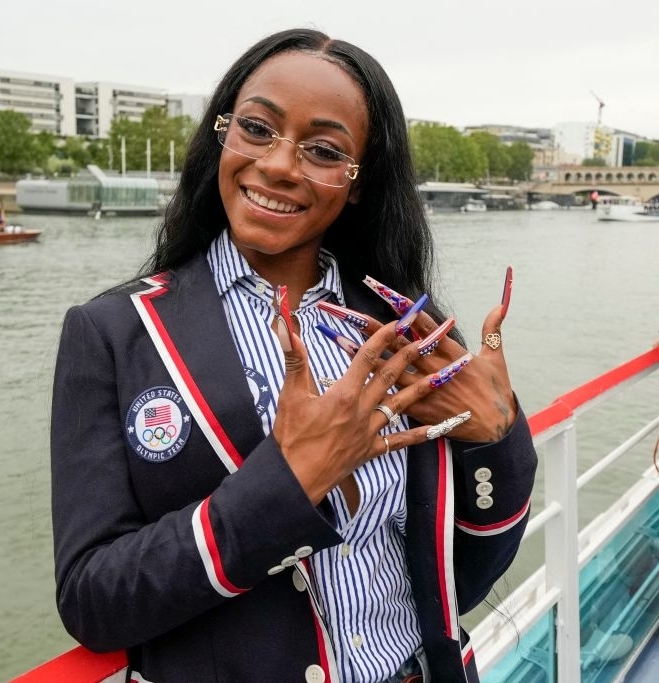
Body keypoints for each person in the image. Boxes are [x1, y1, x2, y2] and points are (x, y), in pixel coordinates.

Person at [50, 28, 537, 683]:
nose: (279, 164)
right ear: (222, 136)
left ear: (359, 182)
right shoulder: (114, 332)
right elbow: (91, 598)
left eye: (325, 149)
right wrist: (287, 483)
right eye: (256, 127)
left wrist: (496, 440)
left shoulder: (401, 326)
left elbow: (460, 576)